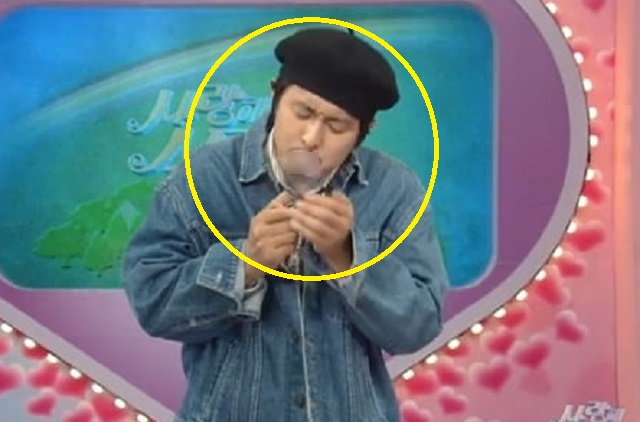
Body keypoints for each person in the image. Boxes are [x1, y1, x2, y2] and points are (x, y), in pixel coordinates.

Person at [122, 26, 449, 422]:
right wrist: (244, 263)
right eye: (302, 113)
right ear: (275, 95)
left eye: (337, 126)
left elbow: (418, 327)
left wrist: (348, 257)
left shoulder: (395, 189)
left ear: (365, 131)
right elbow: (152, 302)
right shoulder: (202, 177)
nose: (311, 137)